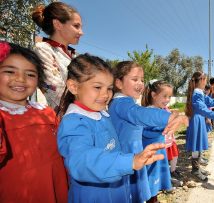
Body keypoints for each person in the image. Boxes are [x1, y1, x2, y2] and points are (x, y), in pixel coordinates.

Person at [56, 54, 166, 203]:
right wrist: (130, 162)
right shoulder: (74, 123)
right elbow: (81, 161)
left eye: (108, 88)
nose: (105, 94)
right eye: (97, 87)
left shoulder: (102, 115)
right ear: (74, 87)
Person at [108, 61, 188, 203]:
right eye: (135, 79)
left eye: (142, 80)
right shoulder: (121, 104)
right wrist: (170, 117)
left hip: (133, 155)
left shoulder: (127, 102)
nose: (140, 83)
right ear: (119, 83)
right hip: (127, 157)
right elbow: (141, 114)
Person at [0, 42, 68, 202]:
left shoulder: (46, 112)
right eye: (10, 71)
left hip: (56, 189)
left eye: (30, 74)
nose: (20, 79)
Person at [32, 2, 83, 109]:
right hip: (62, 118)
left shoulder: (74, 56)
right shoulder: (43, 49)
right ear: (58, 24)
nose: (81, 32)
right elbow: (54, 89)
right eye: (76, 26)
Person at [141, 79, 179, 202]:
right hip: (151, 152)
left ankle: (155, 198)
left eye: (169, 96)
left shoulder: (160, 111)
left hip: (159, 151)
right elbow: (145, 132)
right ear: (153, 95)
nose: (167, 100)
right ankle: (152, 199)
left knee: (157, 176)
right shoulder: (148, 112)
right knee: (151, 178)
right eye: (164, 96)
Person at [185, 71, 214, 182]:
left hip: (198, 120)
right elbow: (202, 108)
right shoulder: (196, 94)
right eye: (205, 80)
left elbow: (209, 101)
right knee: (196, 146)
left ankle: (198, 168)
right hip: (196, 121)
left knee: (198, 145)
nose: (206, 83)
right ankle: (195, 170)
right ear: (202, 80)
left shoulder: (199, 92)